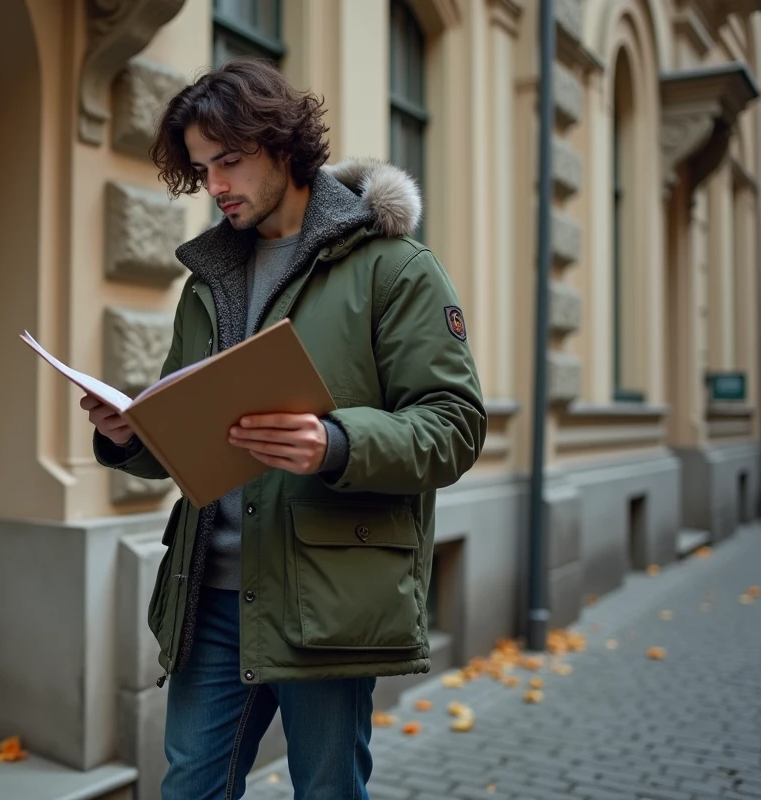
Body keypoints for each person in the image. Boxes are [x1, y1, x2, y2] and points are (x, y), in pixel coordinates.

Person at [81, 57, 486, 799]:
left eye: (229, 161)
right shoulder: (208, 280)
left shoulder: (393, 267)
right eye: (202, 169)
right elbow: (188, 433)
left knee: (327, 791)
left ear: (282, 146)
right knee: (189, 790)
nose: (215, 186)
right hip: (209, 595)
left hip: (326, 601)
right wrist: (128, 434)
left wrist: (337, 443)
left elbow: (455, 425)